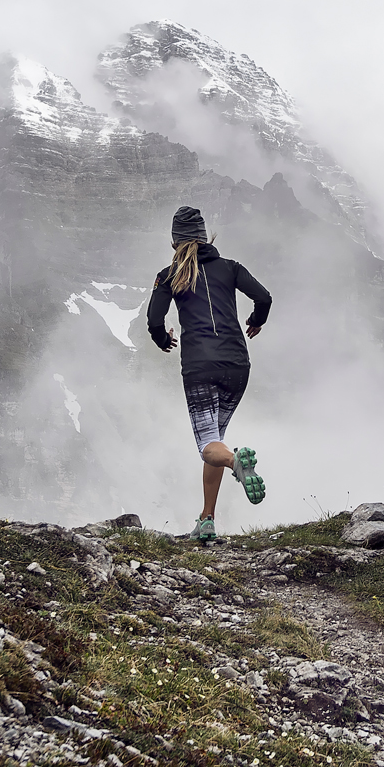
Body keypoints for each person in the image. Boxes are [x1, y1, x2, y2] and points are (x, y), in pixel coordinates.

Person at [145, 204, 273, 543]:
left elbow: (155, 321)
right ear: (205, 236)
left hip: (200, 368)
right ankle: (207, 519)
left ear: (175, 242)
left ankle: (235, 463)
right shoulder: (230, 268)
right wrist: (256, 321)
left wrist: (163, 341)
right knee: (214, 437)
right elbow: (264, 297)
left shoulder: (169, 275)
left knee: (207, 446)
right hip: (237, 367)